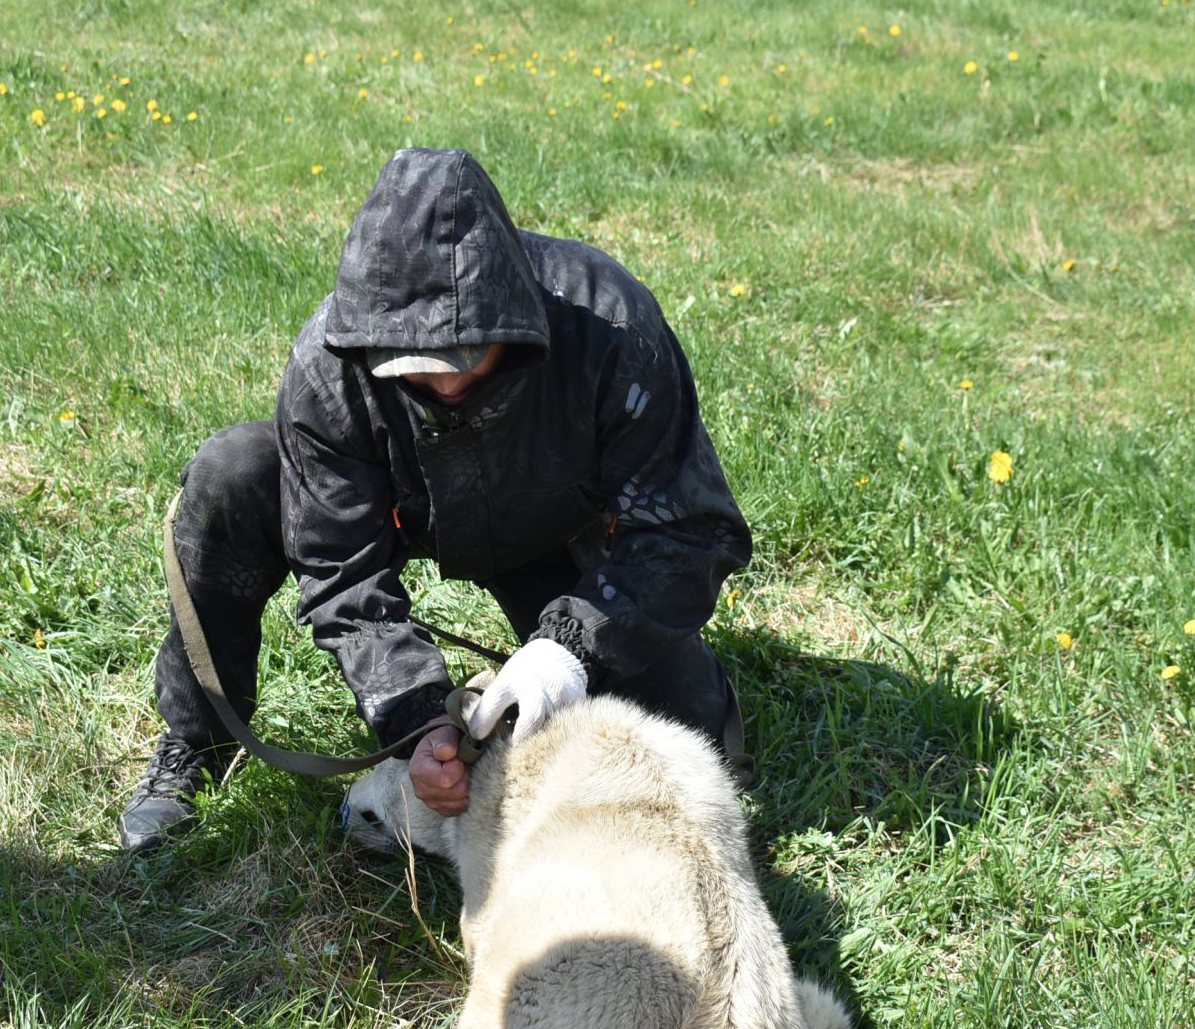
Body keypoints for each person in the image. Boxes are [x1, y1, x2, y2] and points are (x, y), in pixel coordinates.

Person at [119, 147, 752, 850]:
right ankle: (196, 744)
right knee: (230, 472)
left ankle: (552, 675)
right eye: (417, 367)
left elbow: (690, 529)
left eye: (470, 357)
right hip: (399, 504)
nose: (448, 385)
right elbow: (343, 574)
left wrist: (569, 648)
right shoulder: (330, 367)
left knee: (688, 728)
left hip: (549, 522)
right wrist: (419, 724)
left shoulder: (609, 329)